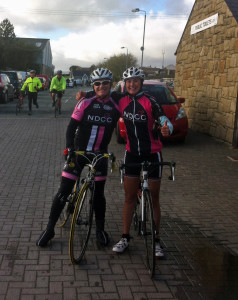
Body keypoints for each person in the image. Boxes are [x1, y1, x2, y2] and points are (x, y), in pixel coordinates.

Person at [76, 67, 173, 258]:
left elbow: (164, 120)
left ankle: (156, 240)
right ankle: (125, 237)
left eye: (135, 81)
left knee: (154, 199)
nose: (132, 84)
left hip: (153, 154)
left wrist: (166, 128)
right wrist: (83, 93)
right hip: (131, 154)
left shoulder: (150, 101)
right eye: (129, 81)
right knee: (129, 198)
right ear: (124, 84)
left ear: (141, 82)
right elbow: (100, 92)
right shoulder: (120, 99)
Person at [36, 68, 120, 247]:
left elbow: (132, 96)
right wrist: (69, 148)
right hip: (79, 152)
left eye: (105, 83)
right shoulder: (85, 102)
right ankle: (49, 228)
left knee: (98, 194)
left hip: (100, 155)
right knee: (64, 190)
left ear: (111, 84)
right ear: (93, 85)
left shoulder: (116, 103)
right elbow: (71, 126)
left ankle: (99, 230)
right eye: (97, 83)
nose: (101, 86)